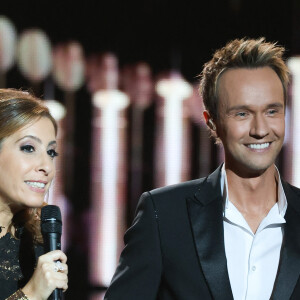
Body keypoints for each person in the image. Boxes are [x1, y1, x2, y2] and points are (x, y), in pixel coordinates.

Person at [104, 37, 300, 300]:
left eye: (272, 111)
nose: (260, 129)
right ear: (211, 123)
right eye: (242, 113)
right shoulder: (164, 215)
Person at [0, 89, 68, 300]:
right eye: (29, 148)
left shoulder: (37, 239)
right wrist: (32, 294)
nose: (47, 166)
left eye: (51, 152)